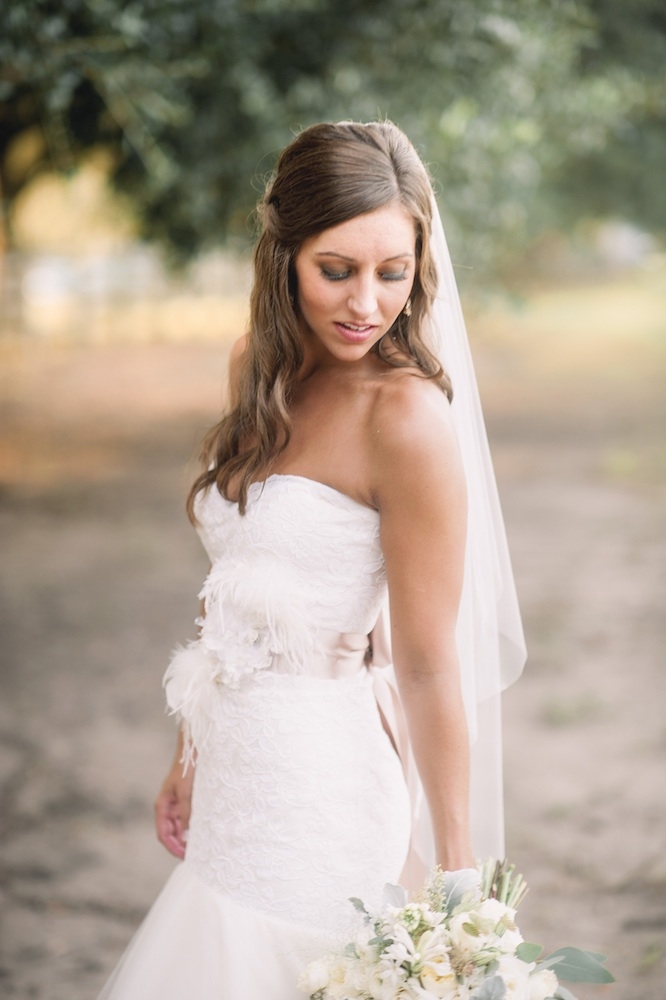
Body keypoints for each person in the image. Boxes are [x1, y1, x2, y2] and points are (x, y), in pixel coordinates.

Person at [98, 120, 526, 1000]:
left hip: (322, 787)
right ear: (283, 254)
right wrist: (189, 752)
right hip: (234, 775)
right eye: (338, 270)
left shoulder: (404, 421)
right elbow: (243, 588)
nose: (367, 303)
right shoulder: (255, 367)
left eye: (392, 273)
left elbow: (429, 662)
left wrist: (454, 869)